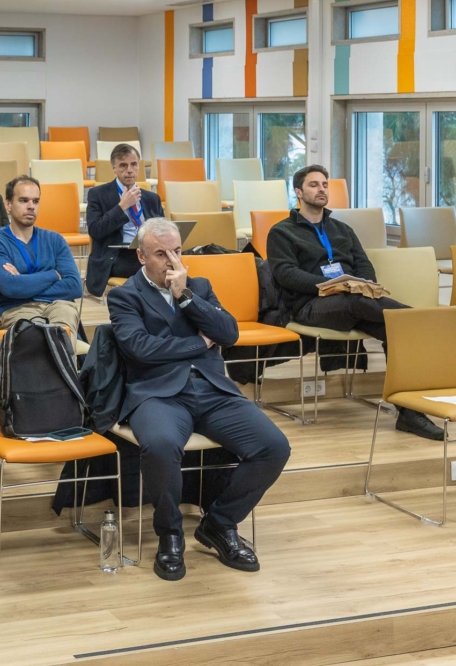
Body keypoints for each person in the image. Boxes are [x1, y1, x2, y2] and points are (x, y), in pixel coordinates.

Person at [107, 218, 291, 582]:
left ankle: (219, 524)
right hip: (158, 393)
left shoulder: (199, 287)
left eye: (177, 251)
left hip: (212, 390)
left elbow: (228, 333)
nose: (172, 261)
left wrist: (185, 297)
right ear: (141, 256)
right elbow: (140, 349)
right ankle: (170, 535)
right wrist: (198, 343)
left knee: (274, 447)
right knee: (160, 446)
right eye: (161, 254)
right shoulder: (125, 295)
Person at [266, 164, 443, 440]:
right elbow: (286, 274)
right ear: (298, 192)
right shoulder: (282, 232)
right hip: (309, 305)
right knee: (368, 307)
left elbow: (364, 264)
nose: (322, 189)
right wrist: (330, 286)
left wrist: (363, 283)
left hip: (353, 300)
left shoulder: (342, 229)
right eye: (314, 184)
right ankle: (421, 320)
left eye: (325, 184)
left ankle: (410, 413)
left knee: (397, 332)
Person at [0, 175, 83, 332]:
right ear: (8, 205)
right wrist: (53, 275)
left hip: (57, 305)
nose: (31, 206)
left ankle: (60, 347)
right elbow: (10, 288)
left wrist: (22, 283)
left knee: (63, 325)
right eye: (23, 200)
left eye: (35, 201)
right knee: (34, 332)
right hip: (16, 308)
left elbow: (74, 286)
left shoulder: (55, 240)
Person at [85, 143, 164, 297]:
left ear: (139, 166)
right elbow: (95, 231)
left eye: (133, 164)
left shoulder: (152, 198)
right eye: (123, 165)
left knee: (175, 263)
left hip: (147, 252)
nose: (129, 170)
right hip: (117, 254)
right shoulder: (98, 194)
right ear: (114, 168)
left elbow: (162, 231)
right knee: (153, 268)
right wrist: (122, 207)